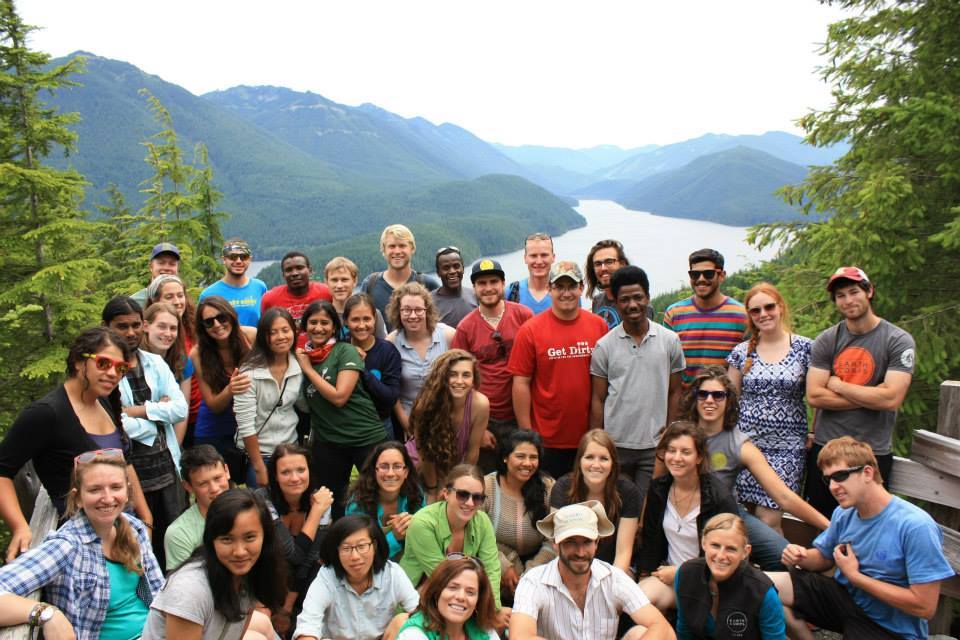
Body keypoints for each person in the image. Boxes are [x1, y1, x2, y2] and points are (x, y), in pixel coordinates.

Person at [768, 437, 953, 640]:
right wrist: (800, 556)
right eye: (828, 479)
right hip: (845, 599)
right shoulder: (843, 513)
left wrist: (856, 577)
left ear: (867, 472)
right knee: (759, 584)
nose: (832, 486)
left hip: (890, 627)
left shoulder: (915, 526)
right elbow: (823, 557)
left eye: (840, 476)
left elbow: (924, 607)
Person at [0, 327, 152, 561]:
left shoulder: (104, 401)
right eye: (103, 363)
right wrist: (20, 526)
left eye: (120, 368)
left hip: (123, 532)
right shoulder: (47, 414)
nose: (113, 373)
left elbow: (125, 462)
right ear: (80, 362)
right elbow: (3, 471)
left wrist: (146, 518)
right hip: (82, 543)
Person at [0, 451, 164, 640]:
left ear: (127, 492)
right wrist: (45, 614)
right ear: (78, 497)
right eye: (95, 490)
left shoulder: (134, 528)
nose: (108, 498)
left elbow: (158, 592)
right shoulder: (67, 546)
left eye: (116, 487)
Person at [682, 367, 830, 570]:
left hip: (728, 515)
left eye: (718, 395)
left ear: (729, 401)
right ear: (694, 398)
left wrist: (829, 526)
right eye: (703, 394)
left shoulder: (739, 444)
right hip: (683, 513)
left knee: (783, 557)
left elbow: (783, 496)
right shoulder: (680, 435)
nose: (709, 400)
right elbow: (657, 485)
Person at [805, 266, 915, 518]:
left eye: (854, 292)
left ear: (869, 292)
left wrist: (840, 385)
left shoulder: (897, 340)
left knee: (870, 523)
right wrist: (873, 395)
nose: (848, 300)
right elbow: (815, 396)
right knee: (822, 523)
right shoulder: (827, 340)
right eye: (841, 295)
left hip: (872, 451)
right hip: (826, 449)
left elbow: (891, 398)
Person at [510, 501, 674, 640]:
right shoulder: (534, 581)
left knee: (642, 633)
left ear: (596, 543)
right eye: (571, 542)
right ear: (555, 544)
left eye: (587, 542)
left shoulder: (613, 577)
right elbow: (519, 636)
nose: (580, 552)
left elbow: (663, 628)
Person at [105, 297, 188, 570]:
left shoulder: (153, 362)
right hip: (132, 475)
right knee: (138, 544)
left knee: (174, 538)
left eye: (135, 325)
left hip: (166, 467)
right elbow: (113, 421)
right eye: (121, 326)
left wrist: (137, 411)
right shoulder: (104, 370)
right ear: (107, 327)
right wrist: (156, 418)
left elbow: (179, 409)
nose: (130, 333)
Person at [590, 265, 684, 507]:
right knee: (614, 507)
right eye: (625, 299)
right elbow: (598, 399)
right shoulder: (604, 346)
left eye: (638, 297)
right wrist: (597, 442)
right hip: (615, 446)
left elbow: (675, 392)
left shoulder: (670, 341)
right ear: (615, 302)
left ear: (647, 297)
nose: (632, 305)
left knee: (647, 510)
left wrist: (670, 433)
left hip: (654, 447)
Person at [726, 282, 812, 533]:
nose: (763, 314)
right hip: (746, 445)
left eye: (769, 307)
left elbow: (816, 394)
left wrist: (814, 431)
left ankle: (778, 570)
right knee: (743, 517)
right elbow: (731, 401)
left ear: (781, 307)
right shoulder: (742, 353)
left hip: (786, 447)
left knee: (769, 518)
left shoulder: (805, 348)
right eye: (755, 310)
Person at [508, 260, 607, 479]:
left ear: (581, 288)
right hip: (545, 438)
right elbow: (521, 382)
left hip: (587, 437)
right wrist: (527, 434)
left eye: (571, 286)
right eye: (559, 287)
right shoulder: (530, 330)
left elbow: (605, 381)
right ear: (549, 289)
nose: (566, 293)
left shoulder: (598, 326)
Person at [142, 489, 284, 640]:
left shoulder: (251, 573)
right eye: (227, 539)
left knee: (262, 624)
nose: (240, 552)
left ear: (265, 536)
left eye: (249, 537)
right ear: (212, 541)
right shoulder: (190, 590)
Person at [297, 300, 386, 519]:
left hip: (365, 436)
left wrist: (308, 370)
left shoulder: (345, 351)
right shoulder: (300, 356)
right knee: (334, 502)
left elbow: (339, 397)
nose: (319, 328)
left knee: (376, 496)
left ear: (335, 327)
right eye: (313, 322)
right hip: (329, 443)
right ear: (304, 326)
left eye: (325, 323)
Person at [638, 421, 739, 611]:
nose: (676, 458)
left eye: (685, 452)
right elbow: (651, 540)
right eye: (671, 450)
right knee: (638, 601)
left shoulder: (718, 498)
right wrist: (644, 575)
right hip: (667, 576)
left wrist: (682, 573)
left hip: (708, 582)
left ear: (699, 457)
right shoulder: (659, 489)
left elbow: (728, 554)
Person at [452, 259, 534, 470]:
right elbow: (458, 385)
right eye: (482, 283)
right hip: (488, 420)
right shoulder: (465, 328)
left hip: (523, 415)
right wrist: (476, 429)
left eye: (493, 281)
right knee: (486, 480)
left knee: (523, 475)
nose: (488, 288)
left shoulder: (523, 315)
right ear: (474, 288)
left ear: (503, 283)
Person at [294, 514, 419, 640]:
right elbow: (308, 625)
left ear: (374, 546)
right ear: (336, 551)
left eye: (361, 546)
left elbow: (420, 612)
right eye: (346, 548)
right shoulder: (327, 575)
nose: (355, 556)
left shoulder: (392, 573)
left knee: (403, 620)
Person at [400, 465, 503, 610]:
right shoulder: (422, 523)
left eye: (477, 497)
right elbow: (441, 576)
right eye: (462, 494)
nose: (470, 503)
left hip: (461, 596)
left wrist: (493, 610)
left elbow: (492, 569)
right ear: (446, 493)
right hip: (417, 597)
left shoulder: (482, 520)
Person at [257, 444, 334, 633]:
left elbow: (309, 559)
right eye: (285, 472)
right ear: (275, 475)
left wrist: (287, 609)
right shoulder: (262, 500)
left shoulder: (320, 499)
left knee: (320, 564)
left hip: (303, 581)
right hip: (266, 579)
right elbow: (293, 554)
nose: (295, 478)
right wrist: (316, 511)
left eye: (301, 470)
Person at [674, 513, 785, 639]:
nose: (721, 556)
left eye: (731, 549)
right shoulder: (686, 574)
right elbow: (684, 630)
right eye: (715, 545)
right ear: (703, 543)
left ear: (745, 552)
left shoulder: (763, 592)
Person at [550, 430, 640, 574]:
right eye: (589, 457)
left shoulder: (628, 492)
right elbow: (557, 545)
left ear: (613, 464)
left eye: (604, 458)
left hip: (613, 570)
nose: (596, 465)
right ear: (579, 461)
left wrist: (609, 587)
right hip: (570, 567)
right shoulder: (563, 487)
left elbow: (623, 553)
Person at [481, 429, 555, 601]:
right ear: (505, 457)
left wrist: (531, 573)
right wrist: (504, 565)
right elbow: (477, 535)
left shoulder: (548, 487)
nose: (527, 463)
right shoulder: (487, 486)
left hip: (539, 567)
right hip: (492, 561)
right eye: (520, 456)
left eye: (533, 457)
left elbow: (554, 537)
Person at [235, 307, 303, 488]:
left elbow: (304, 405)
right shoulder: (249, 372)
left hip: (290, 451)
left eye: (285, 330)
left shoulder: (298, 365)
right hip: (261, 455)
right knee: (263, 511)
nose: (281, 337)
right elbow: (245, 424)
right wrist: (258, 467)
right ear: (264, 337)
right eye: (273, 332)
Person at [190, 296, 256, 481]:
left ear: (231, 316)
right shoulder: (199, 353)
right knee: (220, 490)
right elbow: (213, 405)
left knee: (257, 484)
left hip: (249, 426)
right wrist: (230, 389)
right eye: (209, 322)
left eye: (222, 318)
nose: (217, 325)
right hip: (214, 430)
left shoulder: (250, 337)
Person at [662, 248, 748, 386]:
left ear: (721, 276)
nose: (701, 279)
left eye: (708, 274)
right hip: (683, 404)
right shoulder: (674, 314)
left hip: (722, 403)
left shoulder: (742, 316)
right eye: (694, 274)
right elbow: (667, 366)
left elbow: (748, 365)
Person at [409, 349, 489, 494]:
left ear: (473, 379)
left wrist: (457, 486)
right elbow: (425, 454)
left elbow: (472, 453)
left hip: (457, 467)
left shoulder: (480, 404)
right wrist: (433, 490)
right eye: (452, 374)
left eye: (466, 375)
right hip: (424, 466)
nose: (459, 381)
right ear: (442, 377)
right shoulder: (425, 405)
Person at [386, 282, 457, 441]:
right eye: (406, 310)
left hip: (449, 418)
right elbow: (392, 391)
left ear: (427, 310)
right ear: (398, 311)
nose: (412, 316)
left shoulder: (448, 336)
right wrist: (406, 424)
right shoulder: (391, 343)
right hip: (412, 421)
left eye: (418, 310)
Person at [346, 442, 427, 560]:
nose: (390, 473)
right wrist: (394, 536)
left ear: (406, 472)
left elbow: (425, 537)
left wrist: (415, 525)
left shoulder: (415, 494)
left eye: (397, 466)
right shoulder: (357, 504)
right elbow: (360, 555)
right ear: (375, 471)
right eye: (384, 466)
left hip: (410, 563)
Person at [146, 274, 200, 447]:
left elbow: (180, 410)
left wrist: (174, 451)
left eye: (180, 295)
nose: (177, 302)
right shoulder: (135, 357)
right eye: (169, 297)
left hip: (190, 421)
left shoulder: (182, 357)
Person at [359, 224, 440, 331]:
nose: (397, 251)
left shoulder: (427, 284)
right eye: (392, 246)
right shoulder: (370, 284)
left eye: (402, 246)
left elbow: (437, 324)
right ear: (384, 250)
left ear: (412, 248)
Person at [164, 444, 231, 571]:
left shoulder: (251, 511)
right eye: (203, 484)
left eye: (217, 478)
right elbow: (182, 585)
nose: (214, 489)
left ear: (227, 471)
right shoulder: (178, 533)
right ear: (188, 486)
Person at [397, 557, 500, 640]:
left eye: (470, 592)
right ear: (436, 592)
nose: (461, 597)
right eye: (453, 588)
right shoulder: (413, 634)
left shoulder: (484, 630)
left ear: (479, 601)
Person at [344, 293, 402, 437]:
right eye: (355, 320)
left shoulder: (387, 351)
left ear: (374, 319)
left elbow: (390, 398)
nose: (362, 325)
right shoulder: (341, 348)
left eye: (367, 319)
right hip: (346, 424)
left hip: (380, 424)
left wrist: (361, 368)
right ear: (346, 321)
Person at [140, 302, 192, 443]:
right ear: (146, 326)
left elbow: (183, 411)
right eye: (161, 326)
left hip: (170, 438)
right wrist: (161, 407)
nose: (168, 333)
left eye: (173, 328)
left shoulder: (182, 362)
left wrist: (175, 448)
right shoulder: (134, 360)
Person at [199, 238, 268, 328]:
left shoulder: (259, 287)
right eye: (233, 257)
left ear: (250, 259)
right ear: (224, 259)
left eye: (244, 257)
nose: (238, 261)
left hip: (255, 342)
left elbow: (267, 320)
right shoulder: (208, 294)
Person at [325, 256, 387, 341]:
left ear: (354, 281)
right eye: (334, 280)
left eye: (344, 280)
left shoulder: (372, 313)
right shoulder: (323, 315)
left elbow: (382, 347)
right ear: (326, 282)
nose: (339, 286)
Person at [260, 251, 332, 323]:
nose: (294, 273)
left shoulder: (326, 293)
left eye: (299, 268)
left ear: (310, 271)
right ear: (283, 275)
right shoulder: (270, 299)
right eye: (289, 270)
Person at [584, 239, 630, 330]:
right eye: (598, 264)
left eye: (609, 262)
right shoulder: (597, 301)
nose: (603, 268)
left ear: (622, 264)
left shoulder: (635, 303)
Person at [506, 232, 555, 315]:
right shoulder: (511, 293)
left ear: (553, 258)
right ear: (525, 258)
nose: (539, 261)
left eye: (544, 255)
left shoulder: (565, 294)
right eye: (533, 256)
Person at [432, 246, 477, 328]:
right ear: (438, 272)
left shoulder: (475, 296)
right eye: (446, 268)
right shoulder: (429, 302)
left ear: (463, 269)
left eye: (456, 266)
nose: (452, 271)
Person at [132, 242, 181, 307]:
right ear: (151, 266)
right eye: (161, 263)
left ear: (178, 268)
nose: (166, 268)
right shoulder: (135, 303)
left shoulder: (183, 303)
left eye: (172, 264)